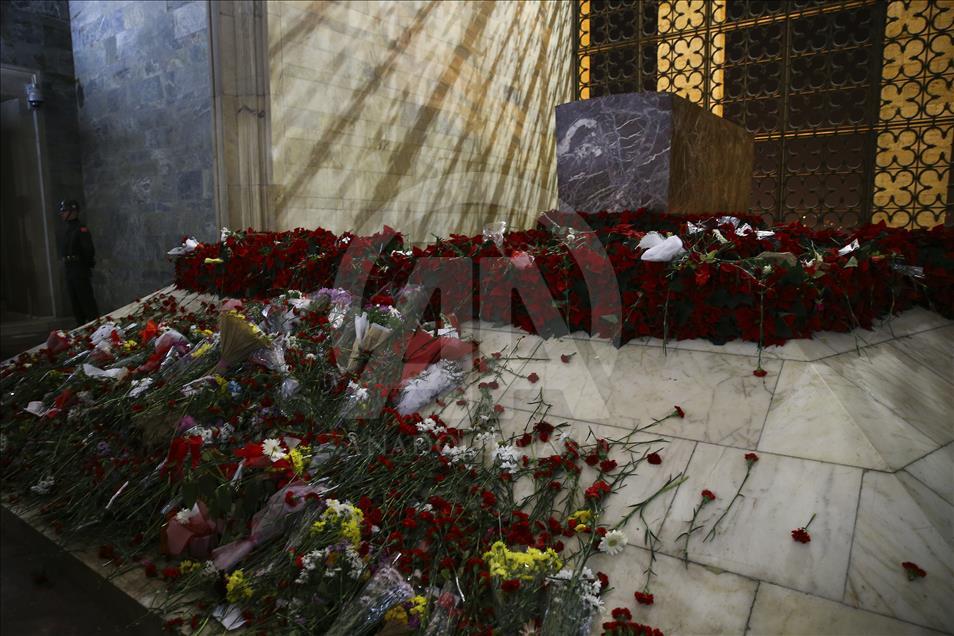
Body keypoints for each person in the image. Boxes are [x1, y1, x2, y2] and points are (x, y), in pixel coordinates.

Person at [58, 199, 100, 325]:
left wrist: (84, 266)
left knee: (86, 302)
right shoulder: (68, 229)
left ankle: (95, 327)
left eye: (65, 211)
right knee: (75, 303)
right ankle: (80, 326)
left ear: (73, 211)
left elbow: (88, 251)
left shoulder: (81, 229)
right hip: (70, 270)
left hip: (79, 270)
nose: (62, 214)